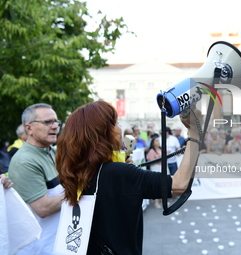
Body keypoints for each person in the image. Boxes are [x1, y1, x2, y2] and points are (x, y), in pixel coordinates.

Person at [55, 101, 201, 254]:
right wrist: (195, 133)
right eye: (116, 123)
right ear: (104, 132)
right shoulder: (117, 173)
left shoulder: (76, 171)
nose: (121, 129)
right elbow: (178, 185)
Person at [8, 103, 64, 254]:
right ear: (28, 129)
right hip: (38, 249)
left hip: (54, 244)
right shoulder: (25, 160)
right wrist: (81, 189)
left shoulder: (51, 151)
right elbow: (44, 208)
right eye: (47, 122)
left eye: (56, 122)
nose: (54, 127)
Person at [146, 137, 164, 208]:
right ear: (153, 143)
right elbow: (151, 161)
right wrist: (160, 156)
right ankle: (156, 202)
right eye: (156, 141)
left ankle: (163, 200)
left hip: (163, 167)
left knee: (163, 185)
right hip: (156, 168)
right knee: (156, 185)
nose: (158, 142)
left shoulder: (161, 149)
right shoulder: (151, 151)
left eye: (158, 141)